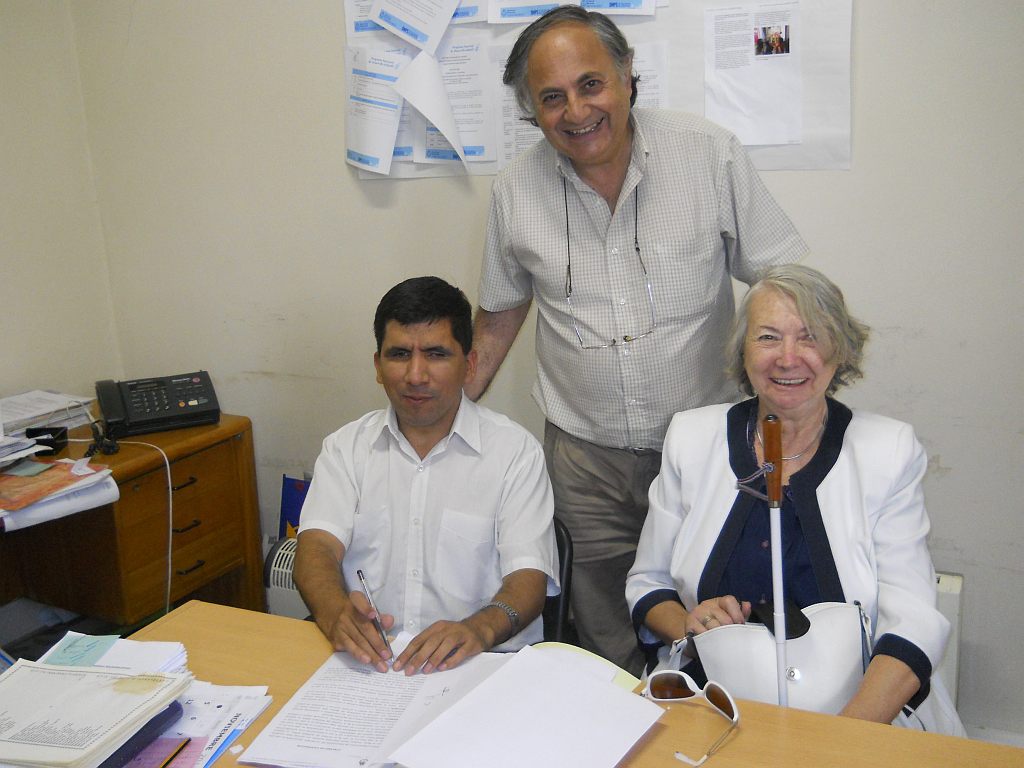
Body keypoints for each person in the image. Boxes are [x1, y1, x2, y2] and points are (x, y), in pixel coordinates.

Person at [467, 5, 808, 674]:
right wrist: (441, 415)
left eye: (591, 84)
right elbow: (500, 313)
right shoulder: (515, 192)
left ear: (627, 74)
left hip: (710, 450)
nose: (576, 111)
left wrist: (797, 391)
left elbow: (782, 279)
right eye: (552, 98)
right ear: (532, 111)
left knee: (716, 613)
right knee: (604, 630)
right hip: (584, 462)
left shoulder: (708, 154)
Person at [625, 264, 965, 735]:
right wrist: (689, 623)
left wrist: (837, 743)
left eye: (810, 337)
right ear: (742, 351)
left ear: (839, 351)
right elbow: (648, 583)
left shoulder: (888, 451)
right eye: (768, 337)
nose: (788, 358)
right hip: (713, 704)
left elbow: (915, 623)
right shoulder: (691, 437)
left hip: (856, 713)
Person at [294, 276, 558, 675]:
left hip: (483, 666)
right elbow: (316, 549)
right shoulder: (345, 448)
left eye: (436, 354)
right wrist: (335, 614)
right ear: (378, 366)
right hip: (373, 663)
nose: (416, 375)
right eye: (399, 354)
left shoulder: (515, 454)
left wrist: (479, 629)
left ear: (469, 365)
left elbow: (529, 579)